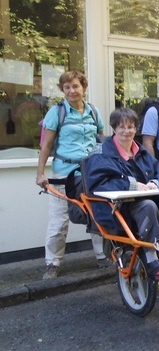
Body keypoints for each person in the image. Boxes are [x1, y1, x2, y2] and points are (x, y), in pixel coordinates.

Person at [84, 108, 159, 280]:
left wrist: (153, 183)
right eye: (122, 127)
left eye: (131, 127)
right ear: (113, 128)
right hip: (118, 209)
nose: (127, 131)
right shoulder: (101, 153)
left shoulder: (141, 151)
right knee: (148, 206)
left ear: (136, 129)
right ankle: (152, 260)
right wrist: (131, 185)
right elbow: (96, 183)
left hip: (146, 201)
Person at [36, 70, 107, 279]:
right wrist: (40, 174)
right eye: (67, 87)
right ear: (63, 90)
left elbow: (101, 140)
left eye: (75, 86)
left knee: (96, 214)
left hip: (90, 173)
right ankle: (53, 263)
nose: (71, 91)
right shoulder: (56, 112)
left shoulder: (93, 111)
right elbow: (46, 145)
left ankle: (102, 256)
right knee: (59, 221)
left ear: (83, 88)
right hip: (64, 174)